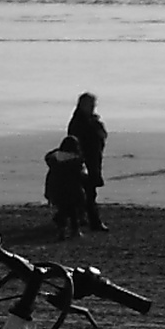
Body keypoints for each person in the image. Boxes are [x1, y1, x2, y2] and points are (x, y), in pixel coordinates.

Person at [67, 91, 109, 232]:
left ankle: (83, 219)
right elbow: (76, 142)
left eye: (94, 104)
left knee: (86, 193)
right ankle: (94, 223)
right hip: (84, 162)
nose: (93, 107)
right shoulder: (80, 122)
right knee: (88, 194)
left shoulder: (90, 120)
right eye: (91, 104)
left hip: (92, 160)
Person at [43, 135, 89, 240]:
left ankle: (62, 231)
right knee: (73, 210)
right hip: (72, 189)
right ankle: (75, 231)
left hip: (56, 188)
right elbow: (82, 175)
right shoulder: (77, 160)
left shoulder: (54, 159)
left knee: (63, 209)